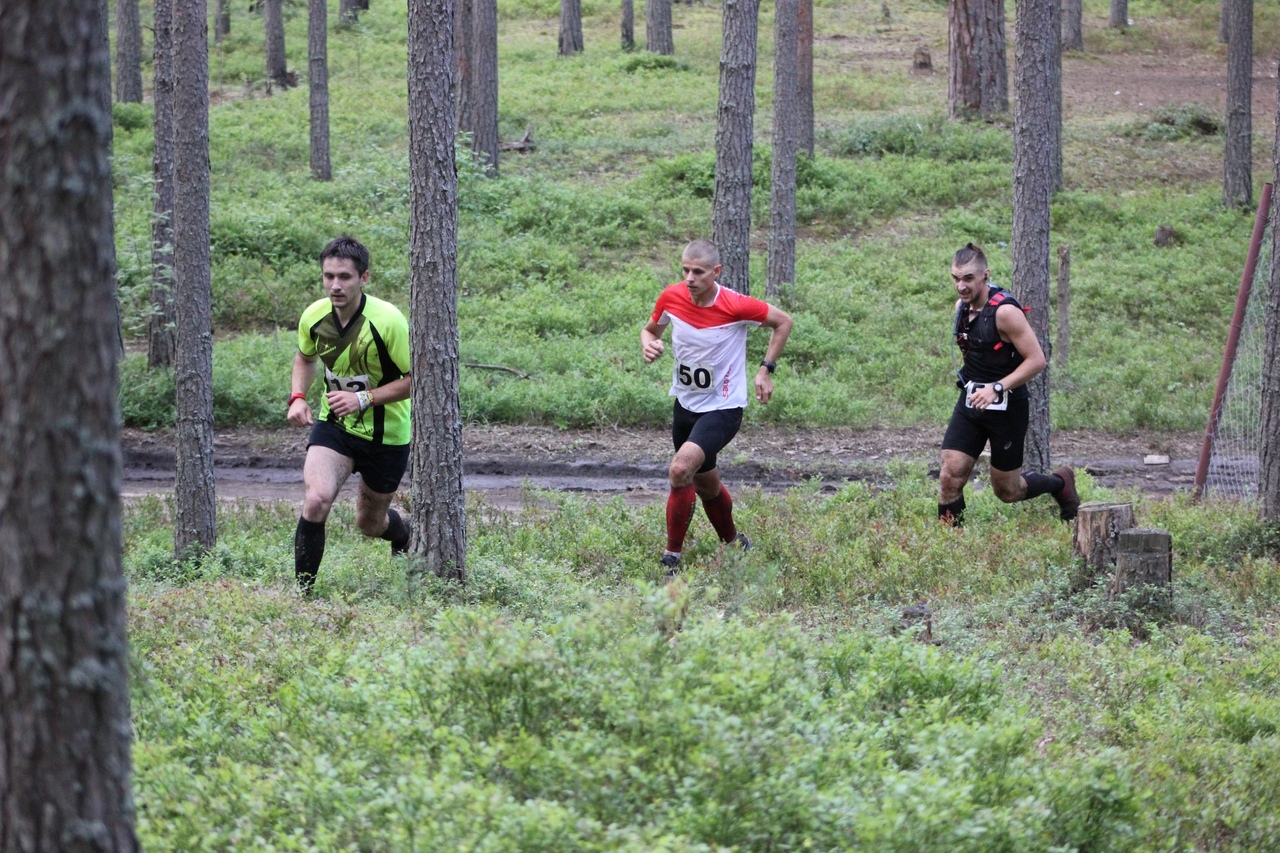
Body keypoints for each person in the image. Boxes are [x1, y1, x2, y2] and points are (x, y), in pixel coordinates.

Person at [641, 239, 794, 578]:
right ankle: (736, 544)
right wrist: (648, 345)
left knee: (681, 470)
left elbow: (783, 321)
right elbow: (649, 330)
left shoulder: (735, 305)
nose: (690, 278)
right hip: (685, 406)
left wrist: (765, 369)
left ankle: (671, 560)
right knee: (706, 485)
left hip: (723, 408)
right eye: (685, 270)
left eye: (698, 271)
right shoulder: (672, 296)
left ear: (716, 272)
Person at [286, 235, 413, 593]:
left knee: (369, 524)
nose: (335, 285)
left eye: (344, 277)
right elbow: (305, 358)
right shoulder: (314, 316)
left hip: (387, 435)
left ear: (364, 278)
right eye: (328, 276)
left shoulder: (388, 321)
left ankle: (403, 535)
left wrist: (365, 399)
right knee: (316, 500)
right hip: (335, 426)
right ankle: (304, 596)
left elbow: (416, 380)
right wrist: (298, 397)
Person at [939, 242, 1079, 526]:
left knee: (1007, 491)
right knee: (949, 477)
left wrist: (997, 387)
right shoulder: (960, 309)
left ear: (985, 275)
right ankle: (949, 551)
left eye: (968, 278)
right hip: (971, 404)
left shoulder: (1005, 312)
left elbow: (1037, 360)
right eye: (956, 278)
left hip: (1007, 408)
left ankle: (1060, 483)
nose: (961, 286)